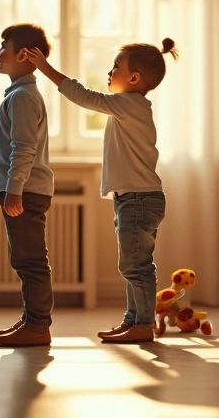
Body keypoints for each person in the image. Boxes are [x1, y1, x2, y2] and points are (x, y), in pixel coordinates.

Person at [23, 38, 179, 343]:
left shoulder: (129, 104)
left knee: (135, 266)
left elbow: (83, 96)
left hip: (138, 200)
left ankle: (143, 325)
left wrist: (45, 68)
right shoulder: (128, 107)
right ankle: (133, 320)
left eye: (115, 67)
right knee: (133, 264)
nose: (109, 72)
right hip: (132, 199)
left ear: (134, 78)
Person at [0, 23, 56, 347]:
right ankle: (32, 320)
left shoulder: (24, 97)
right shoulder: (19, 94)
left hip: (25, 192)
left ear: (24, 55)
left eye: (4, 46)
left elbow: (23, 146)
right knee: (24, 259)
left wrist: (15, 188)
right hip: (23, 190)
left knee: (30, 261)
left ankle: (38, 325)